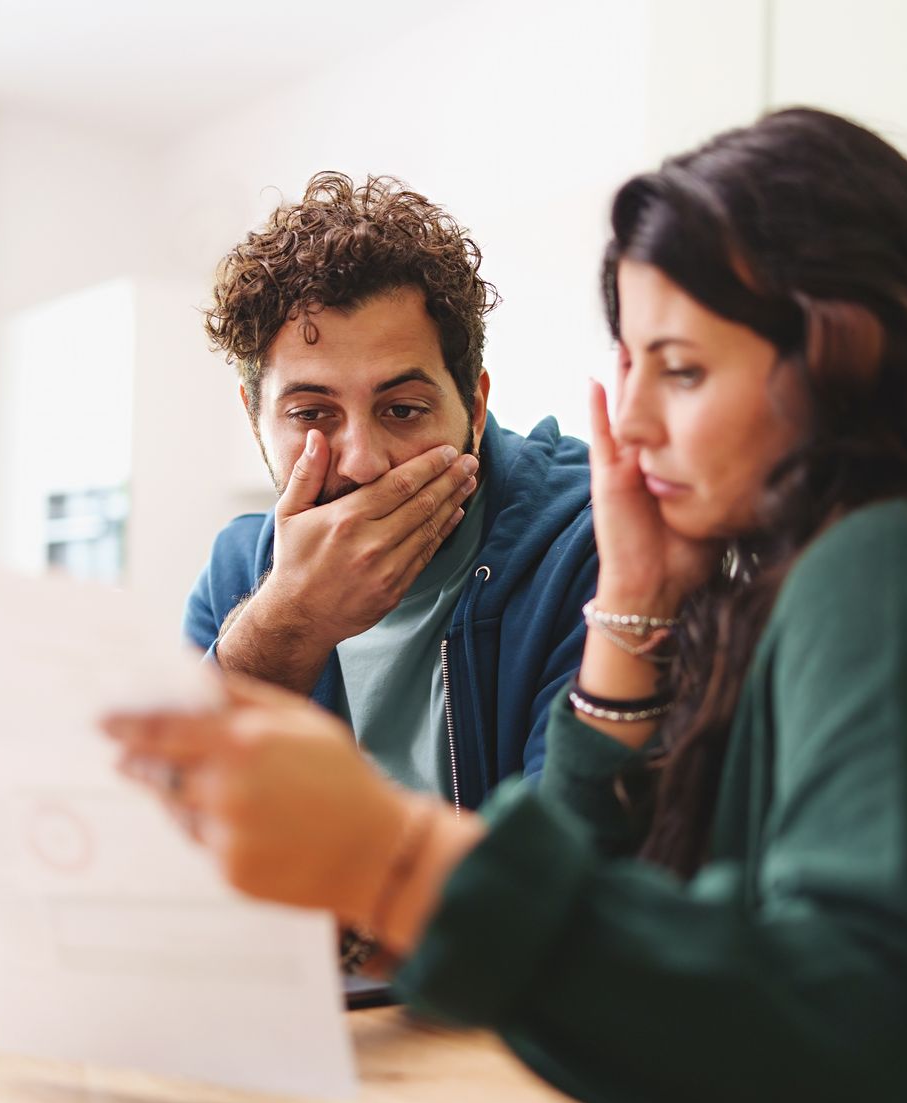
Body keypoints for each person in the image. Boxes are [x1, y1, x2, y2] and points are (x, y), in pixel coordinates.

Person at [109, 110, 907, 1103]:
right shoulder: (812, 574)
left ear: (840, 365)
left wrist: (397, 859)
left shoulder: (902, 569)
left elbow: (885, 1059)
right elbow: (645, 919)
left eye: (681, 370)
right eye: (634, 368)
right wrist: (633, 605)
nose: (626, 423)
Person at [183, 172, 597, 814]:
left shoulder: (587, 548)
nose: (363, 462)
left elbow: (569, 876)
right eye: (312, 414)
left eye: (402, 409)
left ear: (475, 406)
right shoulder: (240, 572)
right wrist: (287, 620)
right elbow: (170, 838)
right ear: (253, 418)